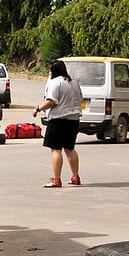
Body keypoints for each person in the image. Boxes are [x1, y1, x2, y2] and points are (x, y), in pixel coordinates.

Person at [36, 59, 83, 188]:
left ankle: (56, 179)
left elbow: (51, 101)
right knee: (70, 148)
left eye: (50, 70)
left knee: (56, 149)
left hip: (58, 119)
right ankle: (75, 176)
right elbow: (81, 98)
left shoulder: (55, 83)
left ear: (54, 71)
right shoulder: (73, 82)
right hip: (73, 119)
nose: (48, 72)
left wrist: (38, 108)